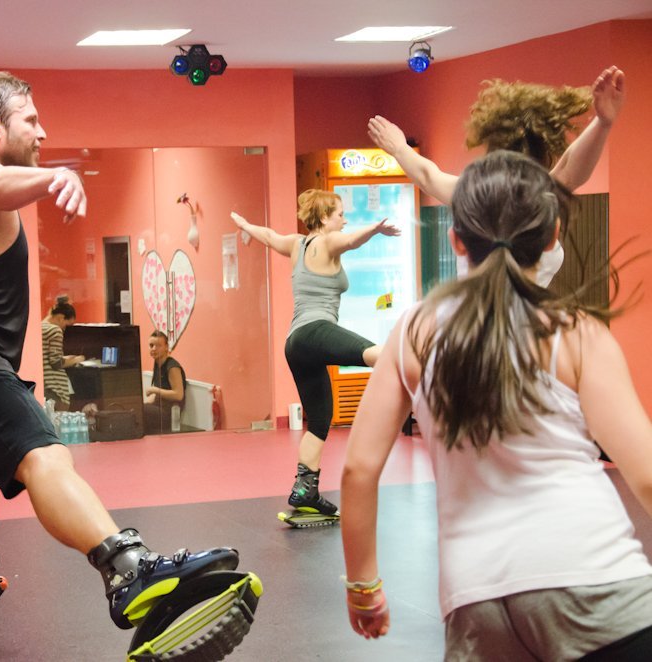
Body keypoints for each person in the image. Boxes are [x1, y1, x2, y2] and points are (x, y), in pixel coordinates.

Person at [0, 71, 239, 659]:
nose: (42, 132)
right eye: (31, 120)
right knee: (47, 456)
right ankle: (128, 567)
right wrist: (56, 176)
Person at [340, 150, 652, 658]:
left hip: (476, 602)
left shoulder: (413, 331)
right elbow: (647, 475)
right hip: (597, 582)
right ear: (552, 237)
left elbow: (358, 469)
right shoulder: (573, 331)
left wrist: (363, 587)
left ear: (456, 240)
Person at [367, 65, 626, 287]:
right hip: (503, 324)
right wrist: (603, 123)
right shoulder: (537, 197)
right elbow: (569, 171)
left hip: (477, 323)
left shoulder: (475, 194)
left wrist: (399, 148)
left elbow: (427, 177)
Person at [230, 192, 400, 525]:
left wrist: (246, 226)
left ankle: (305, 489)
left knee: (320, 420)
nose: (344, 219)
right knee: (382, 354)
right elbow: (349, 241)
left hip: (295, 343)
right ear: (324, 218)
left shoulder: (296, 244)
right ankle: (433, 381)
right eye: (340, 214)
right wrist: (374, 230)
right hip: (316, 331)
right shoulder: (327, 242)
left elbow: (270, 236)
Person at [41, 296, 84, 411]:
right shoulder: (55, 330)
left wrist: (66, 358)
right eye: (67, 324)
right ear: (60, 318)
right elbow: (56, 363)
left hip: (44, 385)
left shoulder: (40, 327)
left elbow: (47, 356)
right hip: (55, 387)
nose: (65, 329)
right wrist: (76, 360)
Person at [143, 330, 186, 434]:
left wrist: (155, 390)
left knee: (140, 411)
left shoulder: (172, 367)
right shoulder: (157, 364)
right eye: (151, 345)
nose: (154, 349)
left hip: (169, 414)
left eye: (158, 345)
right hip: (158, 408)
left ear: (166, 347)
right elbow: (157, 395)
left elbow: (178, 395)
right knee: (135, 409)